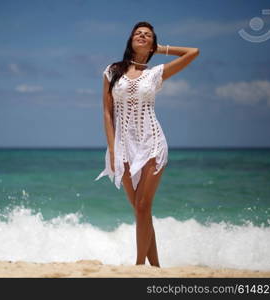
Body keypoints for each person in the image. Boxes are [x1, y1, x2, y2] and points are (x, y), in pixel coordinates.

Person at [95, 21, 199, 266]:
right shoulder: (112, 71)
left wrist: (159, 49)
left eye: (147, 35)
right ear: (130, 40)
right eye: (137, 34)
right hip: (123, 146)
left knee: (143, 205)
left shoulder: (155, 73)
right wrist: (112, 149)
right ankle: (155, 267)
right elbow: (107, 112)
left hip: (152, 143)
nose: (141, 36)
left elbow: (193, 52)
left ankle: (139, 265)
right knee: (140, 210)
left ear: (152, 43)